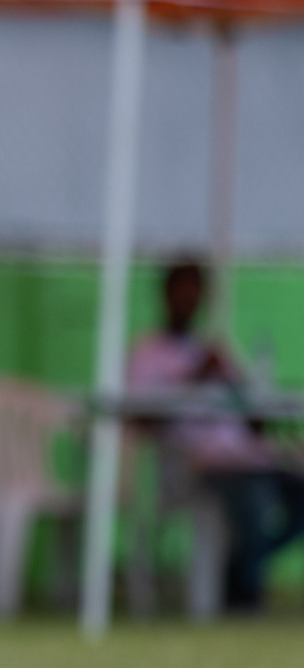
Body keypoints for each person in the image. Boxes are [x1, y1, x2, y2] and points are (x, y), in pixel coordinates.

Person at [127, 259, 304, 611]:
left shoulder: (213, 350)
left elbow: (257, 422)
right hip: (195, 463)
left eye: (196, 290)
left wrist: (231, 379)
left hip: (246, 456)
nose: (189, 298)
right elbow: (138, 417)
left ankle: (237, 572)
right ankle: (243, 593)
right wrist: (193, 379)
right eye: (182, 289)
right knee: (254, 499)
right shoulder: (148, 353)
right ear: (165, 294)